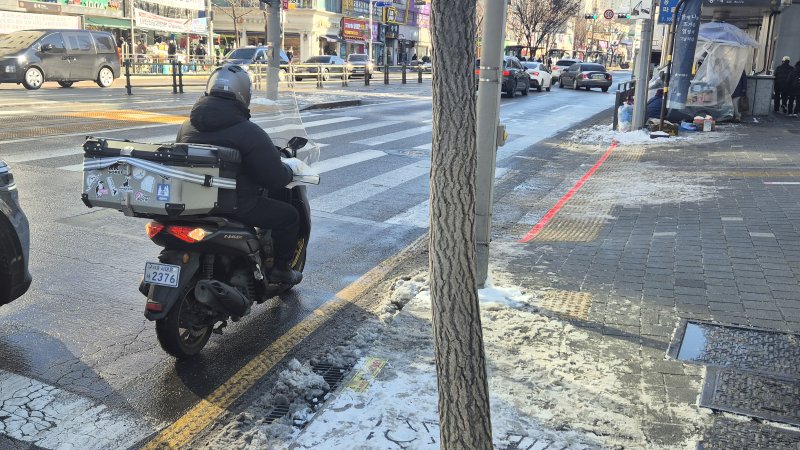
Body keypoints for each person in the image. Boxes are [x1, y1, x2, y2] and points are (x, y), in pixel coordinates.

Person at [175, 64, 303, 285]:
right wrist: (289, 171)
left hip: (192, 204)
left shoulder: (187, 127)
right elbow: (273, 178)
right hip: (237, 206)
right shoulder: (248, 132)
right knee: (289, 216)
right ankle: (281, 270)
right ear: (244, 94)